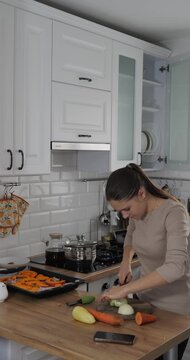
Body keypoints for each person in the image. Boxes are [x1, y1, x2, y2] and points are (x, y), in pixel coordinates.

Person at [101, 163, 190, 360]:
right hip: (145, 304)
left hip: (175, 312)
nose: (124, 215)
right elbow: (131, 236)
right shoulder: (137, 213)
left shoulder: (175, 213)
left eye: (126, 209)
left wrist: (125, 289)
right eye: (119, 212)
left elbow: (176, 267)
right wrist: (126, 262)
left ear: (141, 193)